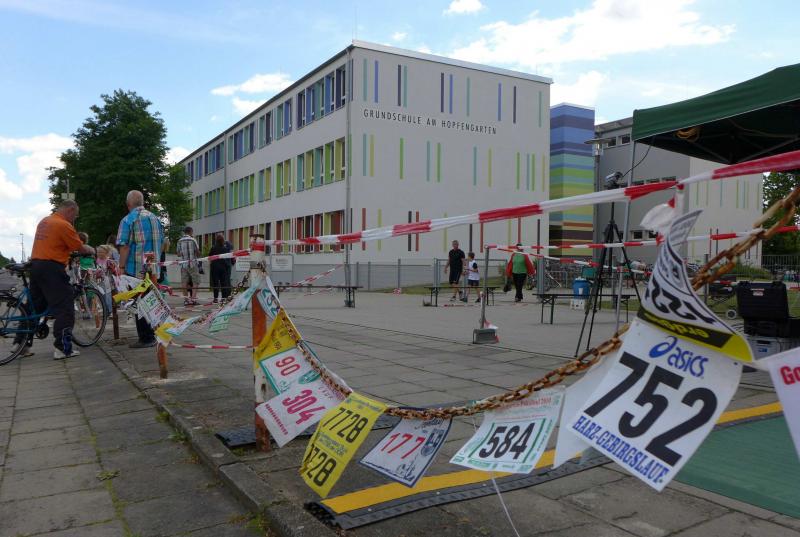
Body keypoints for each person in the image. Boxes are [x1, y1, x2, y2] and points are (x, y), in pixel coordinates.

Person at [28, 199, 95, 359]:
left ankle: (21, 344)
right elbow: (79, 247)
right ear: (70, 210)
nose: (74, 219)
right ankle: (63, 348)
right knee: (65, 306)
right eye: (75, 216)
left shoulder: (45, 221)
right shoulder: (63, 225)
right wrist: (91, 250)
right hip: (51, 268)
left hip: (35, 265)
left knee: (34, 307)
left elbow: (54, 244)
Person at [116, 190, 165, 348]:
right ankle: (155, 333)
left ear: (128, 204)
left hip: (135, 269)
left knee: (139, 302)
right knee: (151, 301)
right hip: (153, 268)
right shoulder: (155, 219)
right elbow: (163, 243)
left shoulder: (128, 220)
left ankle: (146, 338)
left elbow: (124, 246)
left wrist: (121, 267)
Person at [177, 226, 201, 305]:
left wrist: (184, 253)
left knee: (184, 282)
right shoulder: (193, 240)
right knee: (195, 281)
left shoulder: (179, 241)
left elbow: (178, 254)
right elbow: (198, 253)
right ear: (191, 231)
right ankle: (193, 299)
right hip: (193, 264)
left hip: (184, 264)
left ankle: (186, 300)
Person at [208, 233, 232, 303]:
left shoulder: (213, 248)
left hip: (215, 267)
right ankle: (223, 298)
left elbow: (209, 257)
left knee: (215, 283)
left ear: (216, 240)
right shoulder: (225, 248)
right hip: (223, 267)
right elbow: (228, 257)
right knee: (223, 283)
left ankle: (215, 298)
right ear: (223, 240)